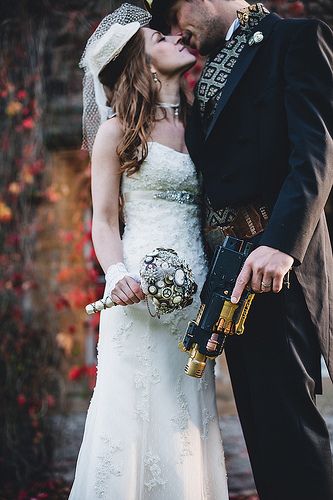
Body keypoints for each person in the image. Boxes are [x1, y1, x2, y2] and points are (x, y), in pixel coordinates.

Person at [150, 1, 333, 499]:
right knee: (261, 432)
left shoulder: (295, 40)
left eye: (174, 16)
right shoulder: (207, 73)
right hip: (229, 276)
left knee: (290, 429)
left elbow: (315, 153)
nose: (175, 33)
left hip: (276, 270)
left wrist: (282, 246)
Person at [69, 4, 229, 499]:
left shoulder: (203, 124)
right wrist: (116, 272)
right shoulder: (118, 131)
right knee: (133, 413)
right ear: (140, 60)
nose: (175, 38)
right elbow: (103, 219)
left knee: (185, 418)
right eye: (159, 38)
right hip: (138, 292)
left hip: (196, 298)